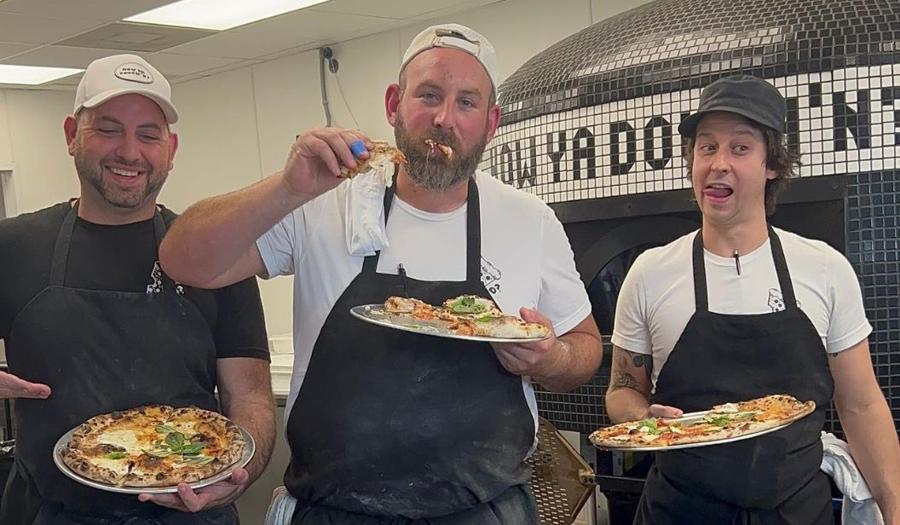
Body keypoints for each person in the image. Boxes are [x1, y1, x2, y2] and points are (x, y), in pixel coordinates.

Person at [159, 23, 603, 524]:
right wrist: (287, 187)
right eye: (429, 95)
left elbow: (585, 348)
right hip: (335, 511)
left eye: (466, 102)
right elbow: (183, 261)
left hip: (485, 510)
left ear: (491, 121)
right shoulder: (325, 201)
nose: (444, 119)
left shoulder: (528, 220)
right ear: (394, 104)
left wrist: (550, 358)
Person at [606, 74, 900, 524]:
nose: (718, 163)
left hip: (795, 511)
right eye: (707, 147)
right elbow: (622, 390)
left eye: (739, 148)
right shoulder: (650, 272)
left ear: (772, 164)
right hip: (679, 510)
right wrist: (646, 417)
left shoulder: (824, 268)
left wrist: (894, 511)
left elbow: (861, 405)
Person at [0, 54, 276, 525]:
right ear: (71, 135)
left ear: (171, 148)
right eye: (108, 129)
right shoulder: (13, 246)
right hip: (50, 512)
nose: (129, 152)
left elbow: (249, 396)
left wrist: (240, 472)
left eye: (148, 135)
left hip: (190, 512)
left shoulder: (217, 253)